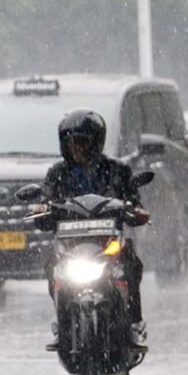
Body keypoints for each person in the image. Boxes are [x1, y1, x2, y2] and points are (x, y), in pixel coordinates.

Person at [32, 110, 150, 350]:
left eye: (82, 142)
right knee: (52, 266)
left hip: (107, 241)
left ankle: (134, 323)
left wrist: (136, 211)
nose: (76, 148)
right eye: (71, 143)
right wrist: (41, 208)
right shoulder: (57, 173)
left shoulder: (118, 170)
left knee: (131, 264)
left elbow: (135, 203)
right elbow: (46, 198)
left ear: (96, 142)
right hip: (72, 243)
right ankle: (62, 323)